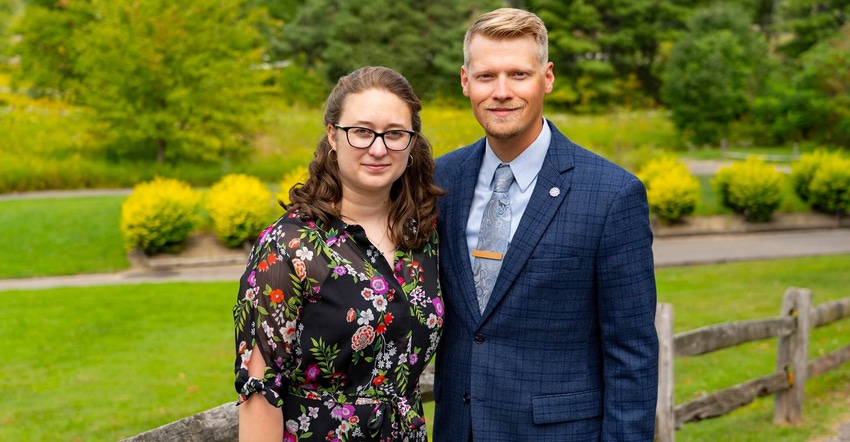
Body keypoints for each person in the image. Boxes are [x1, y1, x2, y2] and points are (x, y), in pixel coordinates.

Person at [432, 8, 659, 441]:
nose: (501, 92)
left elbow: (632, 353)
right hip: (457, 429)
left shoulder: (613, 195)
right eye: (486, 76)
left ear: (547, 77)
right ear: (465, 81)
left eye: (519, 74)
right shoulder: (439, 180)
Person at [233, 66, 445, 442]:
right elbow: (260, 392)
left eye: (395, 134)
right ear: (333, 135)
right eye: (361, 131)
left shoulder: (423, 237)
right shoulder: (288, 246)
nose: (378, 148)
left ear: (411, 142)